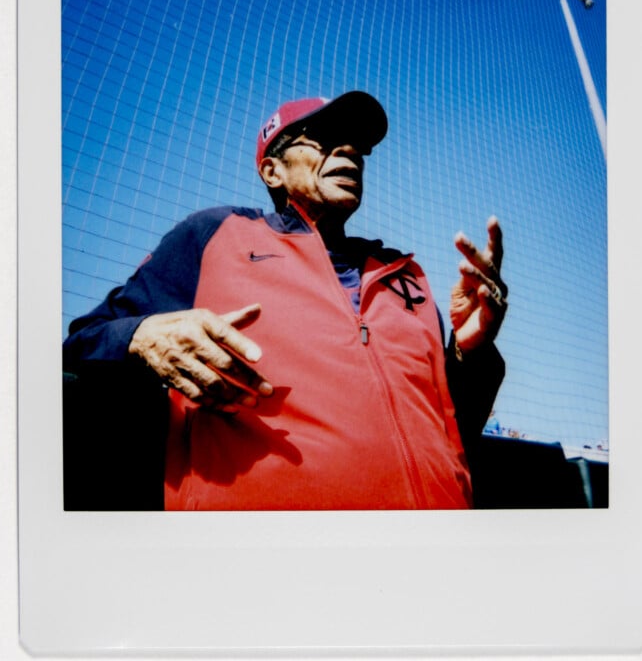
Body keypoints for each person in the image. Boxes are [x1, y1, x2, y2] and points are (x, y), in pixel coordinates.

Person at [63, 90, 507, 510]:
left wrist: (473, 354)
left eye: (357, 146)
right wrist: (142, 335)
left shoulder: (406, 277)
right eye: (326, 140)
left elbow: (453, 434)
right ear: (273, 170)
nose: (350, 151)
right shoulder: (215, 237)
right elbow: (85, 342)